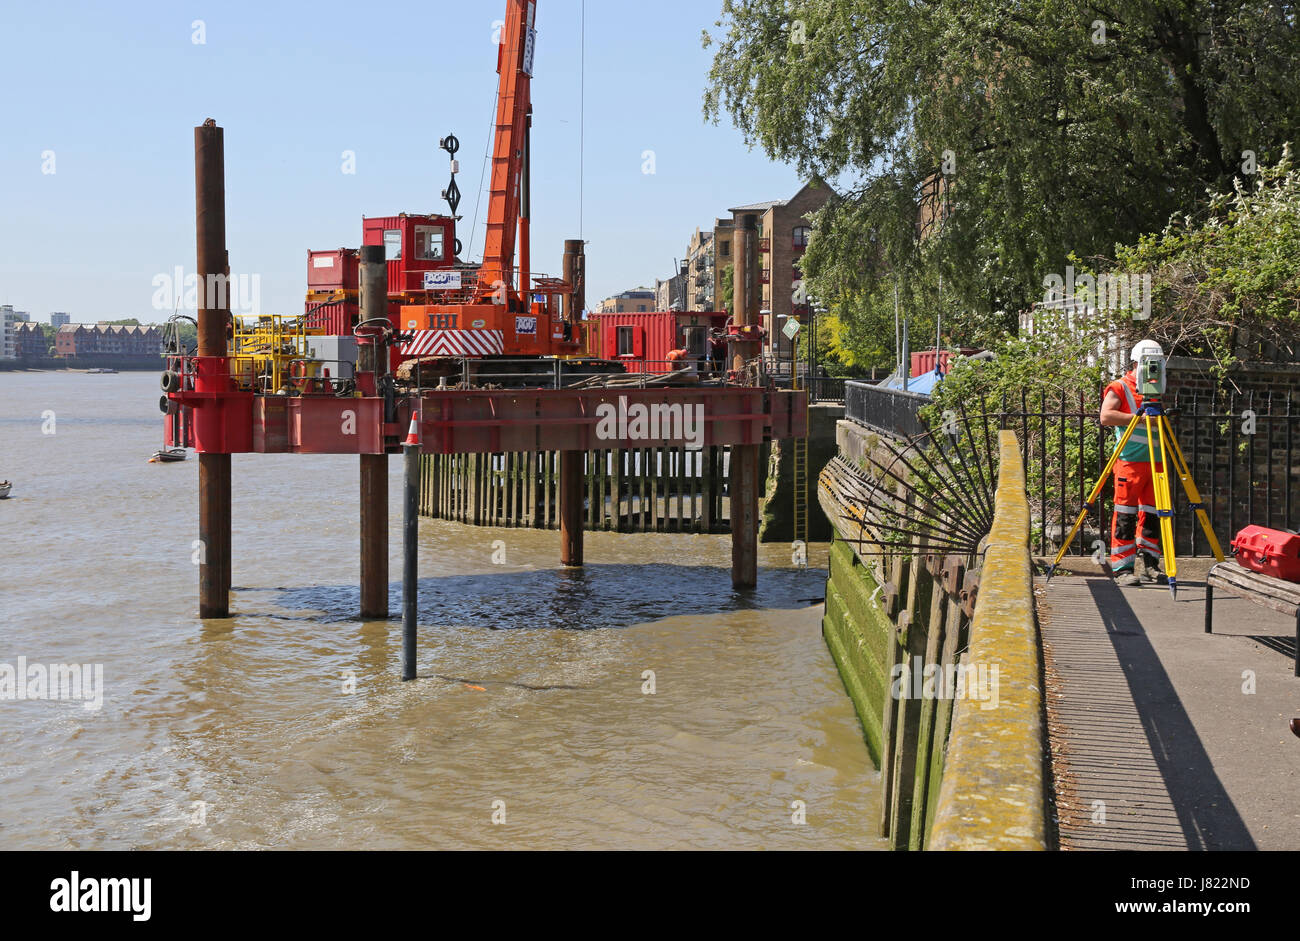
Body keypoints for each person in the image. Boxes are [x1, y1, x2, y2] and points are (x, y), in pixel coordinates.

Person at [1099, 340, 1166, 586]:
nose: (1153, 368)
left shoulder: (1156, 386)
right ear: (1136, 362)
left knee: (1153, 514)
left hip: (1156, 461)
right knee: (1125, 514)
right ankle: (1123, 569)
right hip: (1130, 460)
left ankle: (1150, 564)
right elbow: (1106, 416)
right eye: (1150, 363)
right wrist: (1138, 419)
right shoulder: (1120, 387)